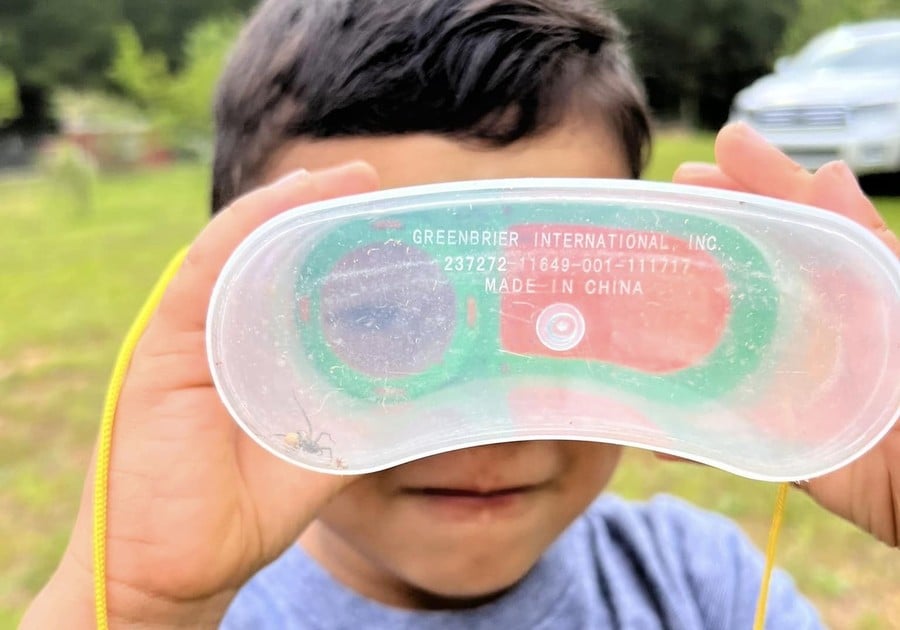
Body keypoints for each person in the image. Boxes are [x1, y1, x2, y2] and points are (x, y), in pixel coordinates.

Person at [22, 1, 899, 628]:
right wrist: (134, 610)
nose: (483, 435)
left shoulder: (699, 584)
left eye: (568, 298)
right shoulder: (198, 612)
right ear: (247, 315)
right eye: (378, 314)